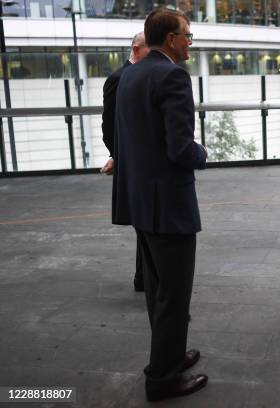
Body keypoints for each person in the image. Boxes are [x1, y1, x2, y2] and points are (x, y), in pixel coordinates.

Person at [113, 8, 208, 401]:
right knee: (173, 294)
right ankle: (163, 378)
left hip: (140, 201)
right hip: (168, 205)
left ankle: (168, 355)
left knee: (157, 291)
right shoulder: (172, 76)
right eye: (187, 35)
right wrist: (202, 152)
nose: (189, 42)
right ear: (170, 39)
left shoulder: (131, 73)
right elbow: (180, 148)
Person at [100, 31, 150, 292]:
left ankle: (143, 277)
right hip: (132, 163)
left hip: (136, 161)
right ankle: (144, 278)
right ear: (136, 49)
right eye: (149, 50)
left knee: (145, 225)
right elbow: (109, 125)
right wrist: (118, 156)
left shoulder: (138, 75)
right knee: (145, 224)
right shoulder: (119, 78)